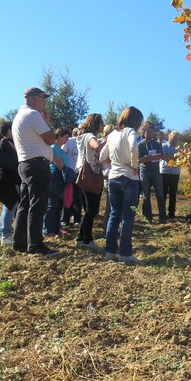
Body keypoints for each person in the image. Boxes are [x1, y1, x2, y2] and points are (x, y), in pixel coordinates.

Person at [12, 86, 58, 256]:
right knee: (38, 206)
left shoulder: (19, 116)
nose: (45, 101)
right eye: (42, 97)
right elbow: (51, 139)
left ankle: (20, 242)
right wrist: (46, 123)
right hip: (38, 165)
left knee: (25, 204)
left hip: (25, 164)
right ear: (32, 98)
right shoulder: (33, 115)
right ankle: (36, 244)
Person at [100, 106, 143, 265]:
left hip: (113, 178)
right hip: (128, 178)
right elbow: (133, 146)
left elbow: (102, 156)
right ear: (136, 121)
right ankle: (125, 253)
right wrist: (133, 165)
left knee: (113, 214)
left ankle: (110, 251)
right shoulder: (131, 132)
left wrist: (114, 164)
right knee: (127, 216)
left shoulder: (112, 134)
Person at [76, 114, 106, 250]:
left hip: (86, 175)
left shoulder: (86, 136)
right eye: (102, 123)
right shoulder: (89, 137)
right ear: (96, 124)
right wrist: (108, 140)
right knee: (91, 210)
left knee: (90, 210)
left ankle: (81, 238)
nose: (104, 126)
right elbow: (97, 147)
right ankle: (87, 240)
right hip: (90, 176)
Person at [0, 122, 20, 246]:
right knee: (10, 206)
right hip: (6, 180)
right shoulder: (3, 144)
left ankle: (4, 233)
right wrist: (15, 163)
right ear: (9, 131)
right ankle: (5, 235)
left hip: (12, 179)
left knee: (11, 206)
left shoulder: (12, 143)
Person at [44, 128, 72, 237]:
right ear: (59, 136)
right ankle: (48, 230)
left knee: (59, 205)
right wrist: (69, 173)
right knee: (52, 205)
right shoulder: (53, 147)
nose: (67, 139)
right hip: (55, 178)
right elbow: (58, 163)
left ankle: (56, 229)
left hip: (61, 178)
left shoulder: (61, 150)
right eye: (65, 136)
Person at [138, 122, 167, 223]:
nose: (149, 134)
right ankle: (148, 217)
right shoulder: (140, 145)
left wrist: (148, 157)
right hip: (144, 172)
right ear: (143, 133)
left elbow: (160, 155)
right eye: (147, 132)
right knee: (146, 196)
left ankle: (162, 216)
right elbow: (140, 160)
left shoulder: (157, 143)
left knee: (160, 194)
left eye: (151, 132)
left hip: (156, 172)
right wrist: (149, 158)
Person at [61, 127, 82, 227]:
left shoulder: (84, 141)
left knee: (78, 197)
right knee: (67, 196)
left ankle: (77, 219)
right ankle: (65, 219)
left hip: (79, 173)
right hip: (69, 173)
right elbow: (62, 152)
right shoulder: (70, 141)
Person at [160, 131, 181, 219]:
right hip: (164, 172)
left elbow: (180, 159)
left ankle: (171, 213)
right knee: (163, 193)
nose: (175, 138)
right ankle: (162, 213)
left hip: (175, 172)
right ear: (169, 136)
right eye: (174, 136)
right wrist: (173, 158)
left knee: (173, 194)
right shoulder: (163, 145)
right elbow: (165, 157)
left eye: (177, 137)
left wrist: (171, 157)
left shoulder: (179, 148)